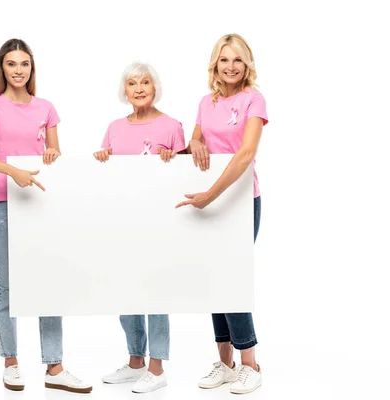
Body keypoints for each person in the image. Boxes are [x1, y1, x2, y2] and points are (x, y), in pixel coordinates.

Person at [0, 38, 92, 394]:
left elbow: (55, 153)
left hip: (40, 204)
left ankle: (55, 366)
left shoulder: (46, 108)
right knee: (7, 285)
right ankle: (11, 362)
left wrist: (51, 156)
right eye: (11, 64)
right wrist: (10, 170)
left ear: (31, 68)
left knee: (48, 282)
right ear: (1, 68)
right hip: (3, 203)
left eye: (24, 64)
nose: (18, 70)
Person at [175, 33, 269, 395]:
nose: (231, 67)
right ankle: (226, 364)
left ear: (247, 65)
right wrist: (194, 142)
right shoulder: (205, 102)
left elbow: (245, 155)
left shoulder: (254, 100)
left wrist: (210, 196)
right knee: (213, 278)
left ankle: (251, 364)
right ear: (215, 65)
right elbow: (195, 143)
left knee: (232, 278)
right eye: (224, 60)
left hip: (241, 199)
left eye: (238, 60)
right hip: (208, 198)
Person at [94, 61, 186, 394]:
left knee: (156, 290)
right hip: (123, 223)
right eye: (132, 83)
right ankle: (135, 362)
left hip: (160, 222)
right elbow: (107, 176)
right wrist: (100, 158)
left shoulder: (173, 126)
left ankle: (157, 367)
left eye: (145, 82)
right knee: (126, 287)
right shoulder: (115, 128)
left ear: (155, 87)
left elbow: (187, 172)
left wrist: (175, 158)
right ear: (125, 91)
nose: (139, 88)